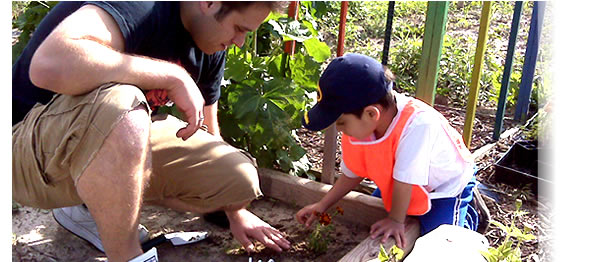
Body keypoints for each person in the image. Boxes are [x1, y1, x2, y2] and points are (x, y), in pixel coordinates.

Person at [12, 2, 291, 261]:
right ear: (210, 3)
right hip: (22, 152)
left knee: (237, 179)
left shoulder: (210, 44)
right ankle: (128, 255)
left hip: (88, 141)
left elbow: (208, 133)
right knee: (124, 106)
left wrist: (236, 212)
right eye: (239, 28)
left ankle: (88, 209)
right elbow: (47, 64)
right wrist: (173, 75)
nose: (239, 41)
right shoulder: (140, 6)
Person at [295, 53, 481, 249]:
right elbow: (353, 173)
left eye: (341, 123)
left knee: (441, 245)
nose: (340, 130)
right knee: (373, 223)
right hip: (399, 182)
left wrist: (396, 220)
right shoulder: (362, 126)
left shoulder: (418, 125)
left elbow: (405, 181)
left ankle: (468, 218)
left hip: (444, 190)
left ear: (371, 113)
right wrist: (323, 204)